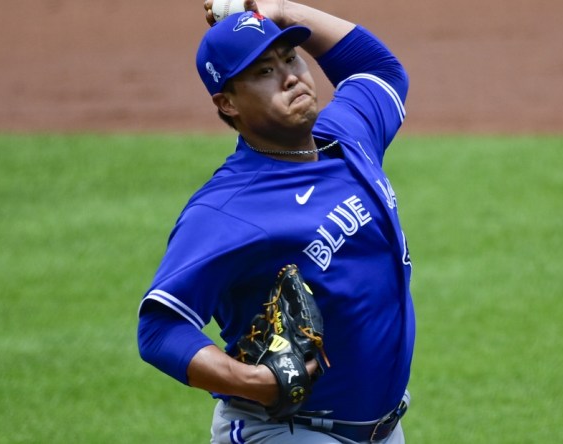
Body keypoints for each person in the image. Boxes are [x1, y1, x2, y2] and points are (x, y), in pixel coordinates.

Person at [136, 0, 415, 442]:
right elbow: (158, 329)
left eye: (290, 58)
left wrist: (284, 10)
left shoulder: (347, 135)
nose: (290, 76)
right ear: (227, 103)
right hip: (287, 431)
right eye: (264, 71)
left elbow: (378, 69)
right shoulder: (227, 209)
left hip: (381, 428)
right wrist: (252, 382)